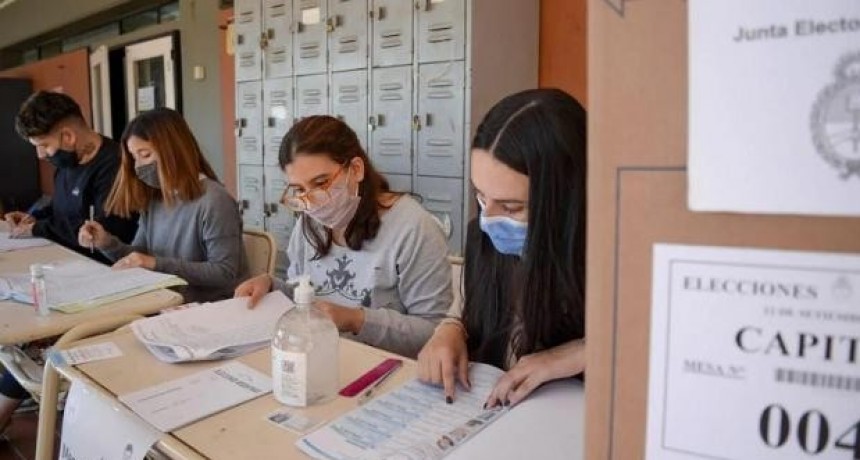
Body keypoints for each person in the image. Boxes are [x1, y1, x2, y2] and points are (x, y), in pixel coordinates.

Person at [417, 88, 587, 408]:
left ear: (566, 201)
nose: (487, 220)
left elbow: (655, 340)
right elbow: (466, 307)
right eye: (481, 196)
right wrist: (450, 330)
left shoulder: (611, 257)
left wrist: (583, 352)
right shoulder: (484, 235)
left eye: (511, 207)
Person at [235, 116, 451, 358]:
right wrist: (272, 286)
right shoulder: (310, 221)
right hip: (321, 358)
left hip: (383, 368)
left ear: (356, 170)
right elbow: (307, 297)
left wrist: (356, 320)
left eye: (321, 182)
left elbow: (435, 333)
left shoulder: (412, 226)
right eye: (300, 190)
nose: (312, 201)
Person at [78, 107, 248, 303]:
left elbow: (223, 271)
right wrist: (106, 243)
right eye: (135, 158)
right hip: (168, 301)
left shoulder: (215, 200)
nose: (138, 166)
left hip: (211, 306)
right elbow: (140, 256)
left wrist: (154, 263)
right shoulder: (154, 200)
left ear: (173, 151)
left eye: (145, 154)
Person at [3, 91, 137, 264]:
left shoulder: (116, 165)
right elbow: (61, 209)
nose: (41, 155)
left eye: (44, 145)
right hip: (65, 259)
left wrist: (38, 228)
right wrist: (34, 218)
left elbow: (98, 232)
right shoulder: (67, 161)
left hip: (102, 268)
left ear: (68, 137)